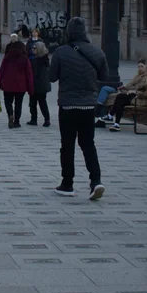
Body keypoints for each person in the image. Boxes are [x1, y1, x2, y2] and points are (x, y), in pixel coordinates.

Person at [49, 17, 106, 201]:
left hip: (68, 104)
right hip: (89, 105)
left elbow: (51, 77)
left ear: (69, 32)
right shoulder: (97, 52)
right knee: (88, 144)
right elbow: (105, 76)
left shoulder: (60, 52)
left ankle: (67, 184)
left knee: (67, 145)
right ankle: (95, 181)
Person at [100, 61, 147, 132]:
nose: (143, 71)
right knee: (120, 100)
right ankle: (115, 124)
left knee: (120, 98)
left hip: (146, 101)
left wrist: (135, 91)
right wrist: (134, 90)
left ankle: (112, 118)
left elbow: (146, 94)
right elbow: (131, 86)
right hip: (138, 98)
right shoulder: (146, 79)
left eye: (145, 69)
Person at [0, 41, 33, 129]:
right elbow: (29, 74)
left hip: (7, 84)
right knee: (18, 104)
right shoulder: (25, 58)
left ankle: (10, 114)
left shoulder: (7, 57)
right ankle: (17, 122)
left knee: (8, 101)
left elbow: (1, 72)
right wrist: (30, 88)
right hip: (21, 85)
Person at [28, 41, 52, 127]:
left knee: (33, 103)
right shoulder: (46, 60)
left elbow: (32, 74)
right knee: (43, 102)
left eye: (34, 48)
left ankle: (33, 119)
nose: (32, 50)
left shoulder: (34, 61)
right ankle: (47, 119)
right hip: (44, 84)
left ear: (38, 50)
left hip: (36, 84)